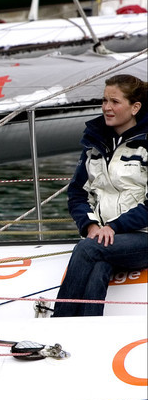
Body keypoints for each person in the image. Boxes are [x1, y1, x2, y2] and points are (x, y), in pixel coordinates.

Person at [52, 74, 146, 317]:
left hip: (141, 236)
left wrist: (114, 227)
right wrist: (91, 225)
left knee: (87, 250)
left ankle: (57, 324)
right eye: (104, 100)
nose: (106, 107)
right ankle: (87, 331)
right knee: (98, 263)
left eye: (114, 102)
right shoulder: (94, 143)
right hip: (106, 236)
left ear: (135, 107)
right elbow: (77, 193)